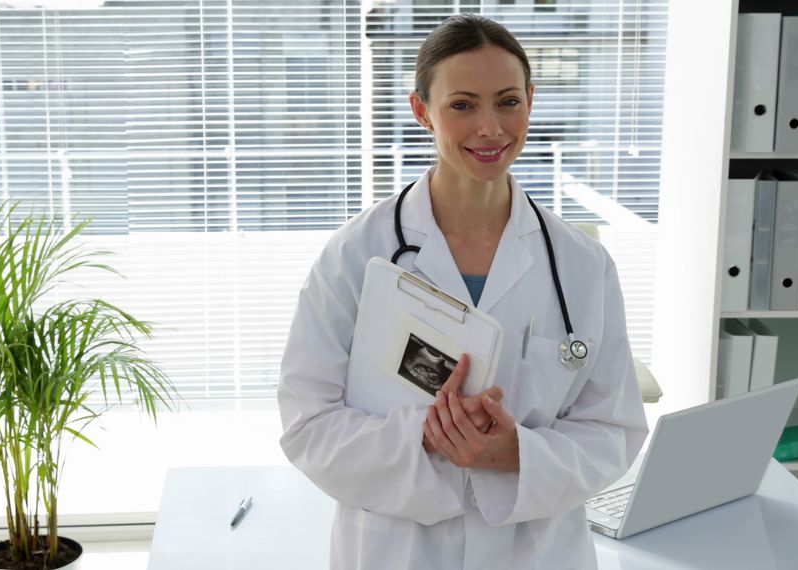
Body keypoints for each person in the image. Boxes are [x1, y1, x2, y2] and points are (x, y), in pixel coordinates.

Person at [277, 13, 648, 569]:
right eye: (463, 105)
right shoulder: (357, 255)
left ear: (531, 99)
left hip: (537, 551)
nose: (491, 128)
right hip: (396, 549)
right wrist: (428, 438)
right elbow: (308, 423)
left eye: (507, 101)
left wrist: (518, 453)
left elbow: (613, 429)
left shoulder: (582, 264)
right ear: (422, 110)